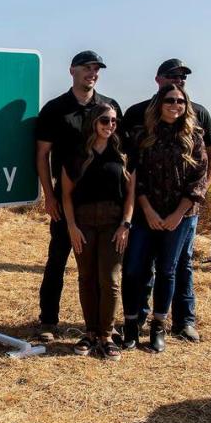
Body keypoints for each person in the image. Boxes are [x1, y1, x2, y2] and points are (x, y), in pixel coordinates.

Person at [120, 58, 211, 343]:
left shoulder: (199, 116)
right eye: (172, 77)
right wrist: (144, 207)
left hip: (183, 211)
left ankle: (182, 321)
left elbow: (210, 161)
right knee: (139, 264)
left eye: (183, 78)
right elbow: (133, 166)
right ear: (158, 80)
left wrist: (189, 203)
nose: (179, 82)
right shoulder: (139, 116)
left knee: (177, 265)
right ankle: (137, 318)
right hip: (145, 210)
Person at [34, 51, 121, 342]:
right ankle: (48, 321)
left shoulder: (108, 107)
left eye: (96, 69)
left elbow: (122, 156)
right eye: (86, 67)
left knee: (101, 272)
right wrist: (49, 196)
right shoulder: (55, 109)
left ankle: (100, 328)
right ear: (72, 70)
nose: (92, 73)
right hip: (67, 199)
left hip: (106, 205)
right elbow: (43, 154)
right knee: (57, 259)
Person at [61, 104, 134, 360]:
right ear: (93, 121)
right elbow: (66, 196)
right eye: (105, 120)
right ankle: (90, 333)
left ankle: (106, 334)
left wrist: (126, 224)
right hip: (83, 224)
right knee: (86, 278)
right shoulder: (76, 155)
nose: (110, 125)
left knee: (110, 280)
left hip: (114, 224)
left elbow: (131, 196)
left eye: (114, 121)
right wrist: (71, 226)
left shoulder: (122, 153)